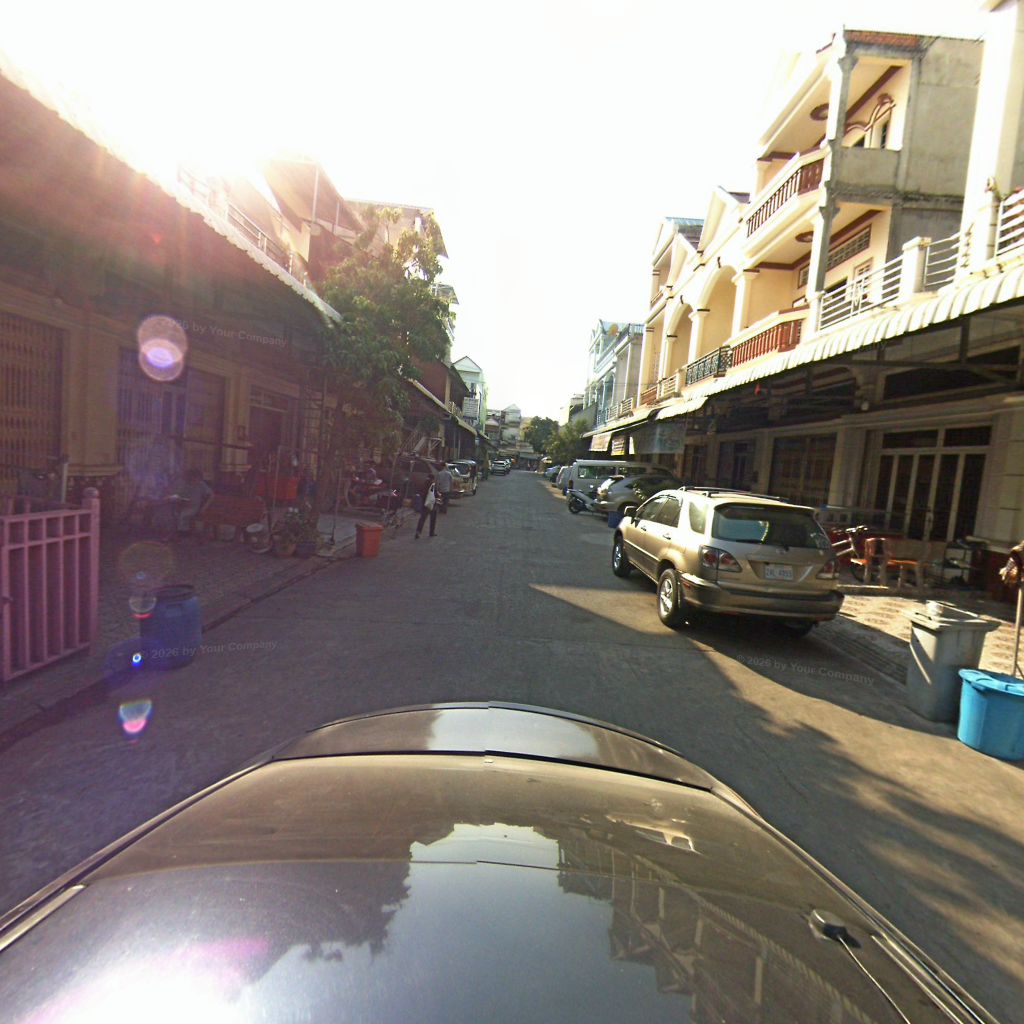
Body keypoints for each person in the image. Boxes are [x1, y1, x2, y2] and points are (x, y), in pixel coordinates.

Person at [414, 472, 438, 539]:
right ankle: (431, 532)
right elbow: (435, 494)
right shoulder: (432, 485)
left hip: (424, 503)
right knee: (433, 518)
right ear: (432, 479)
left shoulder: (423, 484)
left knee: (422, 518)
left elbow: (420, 493)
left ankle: (418, 532)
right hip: (431, 504)